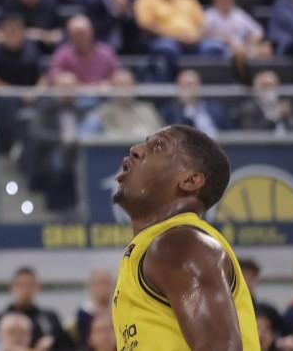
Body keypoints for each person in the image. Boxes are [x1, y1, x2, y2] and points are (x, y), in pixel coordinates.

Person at [111, 126, 259, 349]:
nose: (135, 149)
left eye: (158, 146)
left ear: (190, 180)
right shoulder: (153, 247)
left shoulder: (181, 245)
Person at [4, 267, 70, 351]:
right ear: (12, 287)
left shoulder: (49, 318)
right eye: (21, 284)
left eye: (29, 285)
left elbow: (66, 345)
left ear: (38, 287)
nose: (25, 290)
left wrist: (52, 341)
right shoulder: (2, 318)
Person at [84, 69, 163, 138]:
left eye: (128, 85)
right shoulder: (104, 111)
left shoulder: (147, 108)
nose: (124, 89)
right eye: (120, 85)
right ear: (113, 88)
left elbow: (159, 133)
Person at [161, 70, 227, 137]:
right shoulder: (171, 112)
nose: (186, 89)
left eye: (190, 84)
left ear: (199, 85)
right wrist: (188, 107)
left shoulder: (216, 108)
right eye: (182, 85)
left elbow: (229, 132)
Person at [75, 270, 114, 348]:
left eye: (106, 283)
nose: (103, 288)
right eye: (98, 284)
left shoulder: (118, 309)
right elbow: (83, 340)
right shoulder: (84, 312)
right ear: (90, 287)